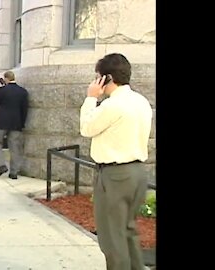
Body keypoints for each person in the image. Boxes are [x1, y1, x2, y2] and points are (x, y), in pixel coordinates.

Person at [79, 53, 152, 270]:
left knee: (112, 239)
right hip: (137, 173)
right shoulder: (141, 101)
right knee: (127, 233)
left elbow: (87, 128)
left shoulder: (113, 105)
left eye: (98, 77)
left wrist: (91, 98)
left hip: (114, 176)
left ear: (107, 78)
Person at [0, 71, 29, 180]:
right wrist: (22, 123)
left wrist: (3, 87)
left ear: (6, 79)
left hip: (2, 122)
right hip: (16, 123)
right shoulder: (23, 92)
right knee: (15, 147)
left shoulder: (2, 90)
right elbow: (24, 109)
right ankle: (14, 172)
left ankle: (2, 165)